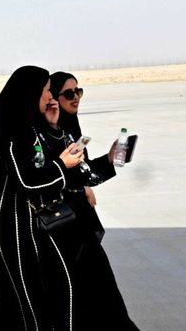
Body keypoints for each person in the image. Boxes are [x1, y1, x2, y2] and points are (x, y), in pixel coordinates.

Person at [0, 66, 85, 331]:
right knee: (30, 303)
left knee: (59, 292)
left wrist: (53, 124)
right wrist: (62, 165)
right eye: (46, 91)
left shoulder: (33, 128)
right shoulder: (15, 134)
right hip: (20, 230)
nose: (49, 97)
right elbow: (28, 180)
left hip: (41, 227)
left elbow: (48, 161)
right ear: (31, 95)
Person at [48, 71, 138, 330]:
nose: (76, 97)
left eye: (79, 91)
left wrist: (110, 160)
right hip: (66, 230)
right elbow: (70, 177)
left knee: (100, 295)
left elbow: (83, 174)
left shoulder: (68, 127)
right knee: (94, 295)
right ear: (54, 97)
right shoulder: (52, 132)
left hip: (78, 225)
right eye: (68, 93)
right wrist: (86, 182)